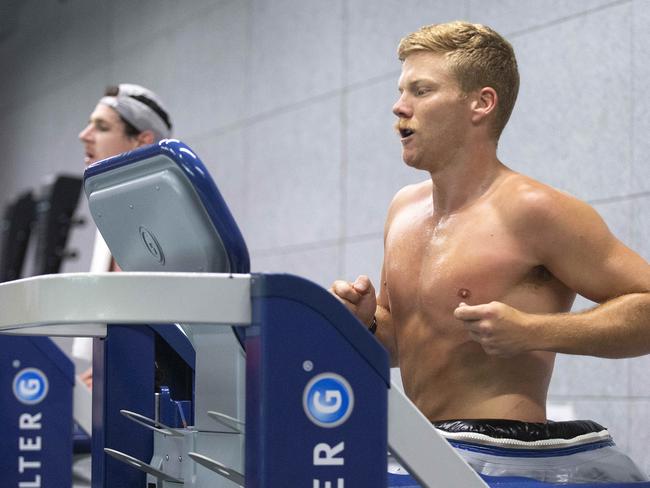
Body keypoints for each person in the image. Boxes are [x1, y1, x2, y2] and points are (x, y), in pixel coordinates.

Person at [331, 21, 650, 484]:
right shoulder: (402, 209)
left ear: (481, 103)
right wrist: (368, 322)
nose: (399, 107)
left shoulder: (533, 210)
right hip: (418, 449)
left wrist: (534, 331)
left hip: (504, 462)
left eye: (421, 90)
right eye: (402, 91)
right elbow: (406, 346)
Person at [72, 83, 173, 387]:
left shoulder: (166, 217)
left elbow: (181, 328)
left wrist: (124, 375)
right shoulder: (111, 212)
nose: (84, 135)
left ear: (142, 141)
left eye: (101, 127)